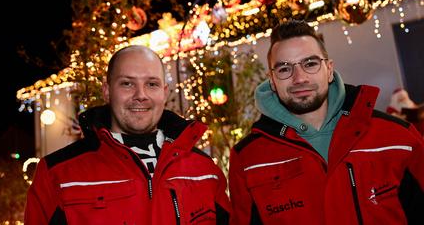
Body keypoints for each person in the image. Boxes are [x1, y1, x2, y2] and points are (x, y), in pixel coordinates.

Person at [228, 19, 424, 225]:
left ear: (329, 69)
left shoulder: (397, 137)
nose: (299, 78)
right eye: (284, 69)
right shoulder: (248, 159)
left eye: (310, 64)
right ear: (272, 80)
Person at [25, 45, 230, 224]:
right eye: (127, 83)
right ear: (107, 91)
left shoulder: (205, 170)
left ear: (164, 92)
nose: (140, 95)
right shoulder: (57, 174)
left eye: (152, 84)